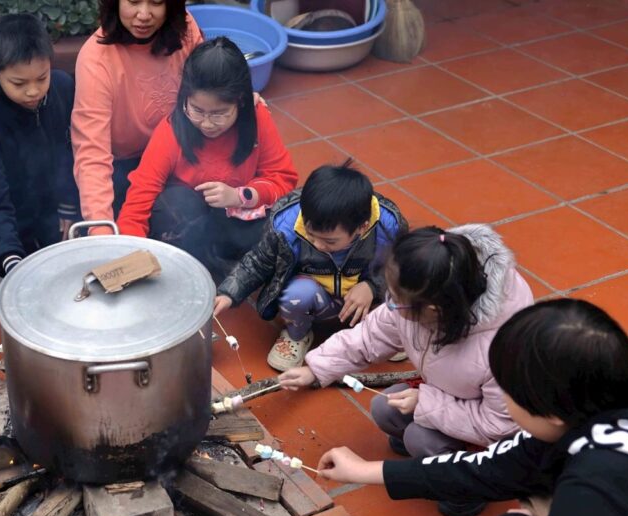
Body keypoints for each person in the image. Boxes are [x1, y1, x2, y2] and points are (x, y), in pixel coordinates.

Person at [317, 299, 628, 516]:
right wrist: (362, 471)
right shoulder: (609, 404)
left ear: (550, 412)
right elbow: (483, 468)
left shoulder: (591, 494)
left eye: (507, 392)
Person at [279, 225, 534, 516]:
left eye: (397, 300)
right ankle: (421, 444)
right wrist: (317, 368)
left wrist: (424, 404)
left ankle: (465, 491)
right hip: (442, 391)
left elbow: (499, 425)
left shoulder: (502, 348)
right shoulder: (420, 292)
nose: (390, 303)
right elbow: (368, 337)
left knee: (420, 438)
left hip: (490, 428)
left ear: (435, 311)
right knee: (384, 409)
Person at [116, 37, 297, 276]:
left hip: (234, 218)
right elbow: (140, 196)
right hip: (188, 224)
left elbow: (283, 180)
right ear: (185, 98)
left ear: (241, 102)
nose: (208, 124)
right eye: (197, 111)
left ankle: (225, 263)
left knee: (290, 219)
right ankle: (200, 266)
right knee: (178, 204)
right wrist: (129, 259)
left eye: (220, 113)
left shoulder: (256, 117)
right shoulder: (172, 130)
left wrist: (240, 196)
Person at [214, 159, 405, 371]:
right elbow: (259, 261)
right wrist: (229, 294)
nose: (317, 244)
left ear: (362, 227)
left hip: (367, 300)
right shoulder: (287, 226)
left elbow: (402, 267)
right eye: (311, 235)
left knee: (401, 288)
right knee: (298, 293)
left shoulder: (388, 227)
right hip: (318, 297)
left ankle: (383, 330)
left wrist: (372, 286)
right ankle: (298, 333)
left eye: (329, 241)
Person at [0, 14, 79, 302]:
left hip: (56, 215)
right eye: (18, 83)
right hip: (13, 226)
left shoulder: (64, 88)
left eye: (42, 78)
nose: (33, 91)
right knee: (13, 299)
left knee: (78, 285)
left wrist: (69, 208)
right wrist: (10, 258)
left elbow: (75, 153)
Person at [72, 0, 204, 230]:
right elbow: (92, 153)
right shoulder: (95, 60)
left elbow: (208, 83)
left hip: (179, 151)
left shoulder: (185, 28)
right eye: (133, 1)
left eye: (156, 2)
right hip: (126, 166)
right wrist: (100, 226)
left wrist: (239, 96)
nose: (144, 15)